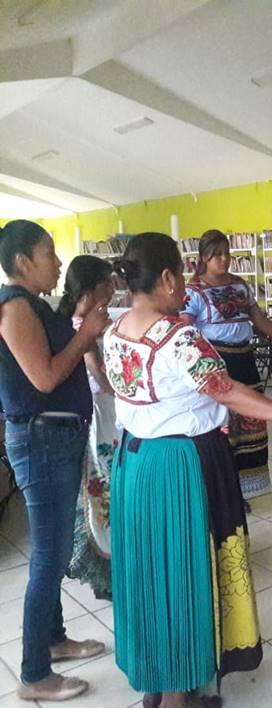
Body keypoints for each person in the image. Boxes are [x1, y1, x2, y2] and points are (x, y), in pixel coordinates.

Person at [104, 233, 272, 708]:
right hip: (180, 465)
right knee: (183, 570)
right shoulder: (178, 337)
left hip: (134, 465)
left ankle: (157, 681)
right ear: (168, 277)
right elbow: (228, 391)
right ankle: (179, 697)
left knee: (148, 570)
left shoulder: (113, 332)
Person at [0, 220, 108, 702]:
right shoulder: (15, 307)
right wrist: (85, 336)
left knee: (58, 548)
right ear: (23, 261)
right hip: (40, 441)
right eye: (49, 253)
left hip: (55, 438)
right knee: (49, 556)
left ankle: (54, 639)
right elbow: (43, 378)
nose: (59, 262)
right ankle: (34, 673)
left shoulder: (34, 305)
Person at [180, 229, 272, 502]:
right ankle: (222, 492)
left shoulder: (239, 285)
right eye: (217, 255)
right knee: (223, 428)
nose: (224, 260)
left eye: (227, 254)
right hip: (217, 364)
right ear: (203, 258)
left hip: (245, 360)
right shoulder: (193, 291)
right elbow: (186, 333)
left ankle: (242, 490)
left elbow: (259, 320)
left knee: (250, 423)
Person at [59, 256, 119, 600]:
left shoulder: (82, 320)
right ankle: (106, 568)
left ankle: (107, 563)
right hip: (98, 412)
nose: (112, 290)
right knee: (102, 487)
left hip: (100, 410)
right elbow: (96, 370)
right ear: (91, 288)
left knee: (102, 489)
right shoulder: (81, 324)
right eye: (107, 284)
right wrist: (125, 392)